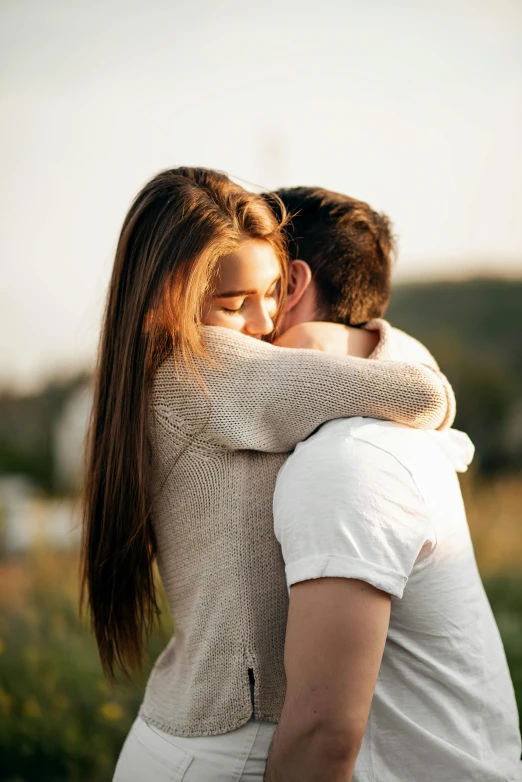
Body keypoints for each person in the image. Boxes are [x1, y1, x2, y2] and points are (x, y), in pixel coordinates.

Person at [81, 167, 455, 781]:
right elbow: (424, 395)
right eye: (234, 304)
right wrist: (329, 339)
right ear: (164, 300)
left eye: (275, 291)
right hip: (230, 748)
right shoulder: (211, 369)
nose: (263, 322)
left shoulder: (150, 377)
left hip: (186, 734)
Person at [264, 187, 522, 781]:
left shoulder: (346, 458)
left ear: (292, 285)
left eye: (246, 289)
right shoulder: (378, 420)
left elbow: (321, 735)